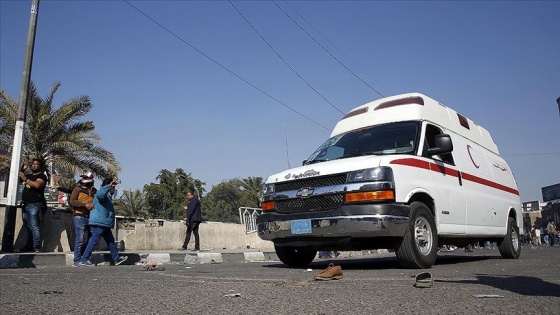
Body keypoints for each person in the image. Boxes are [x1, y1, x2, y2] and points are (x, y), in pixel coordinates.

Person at [78, 177, 127, 266]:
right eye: (113, 186)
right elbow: (100, 194)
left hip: (104, 223)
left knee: (110, 241)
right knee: (94, 241)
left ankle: (117, 259)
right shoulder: (101, 194)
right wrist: (108, 186)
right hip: (99, 223)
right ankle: (84, 260)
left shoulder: (107, 196)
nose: (113, 188)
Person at [18, 158, 47, 252]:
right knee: (28, 226)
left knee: (34, 226)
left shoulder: (42, 176)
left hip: (35, 205)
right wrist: (22, 170)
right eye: (32, 164)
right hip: (26, 204)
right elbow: (18, 179)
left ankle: (36, 246)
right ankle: (29, 245)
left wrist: (25, 179)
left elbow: (37, 185)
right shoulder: (29, 175)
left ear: (40, 166)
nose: (33, 165)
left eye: (36, 164)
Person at [69, 172, 96, 267]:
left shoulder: (93, 190)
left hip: (89, 217)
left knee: (90, 239)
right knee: (79, 239)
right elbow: (72, 200)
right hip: (79, 216)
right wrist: (84, 205)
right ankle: (76, 260)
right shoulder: (77, 189)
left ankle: (84, 258)